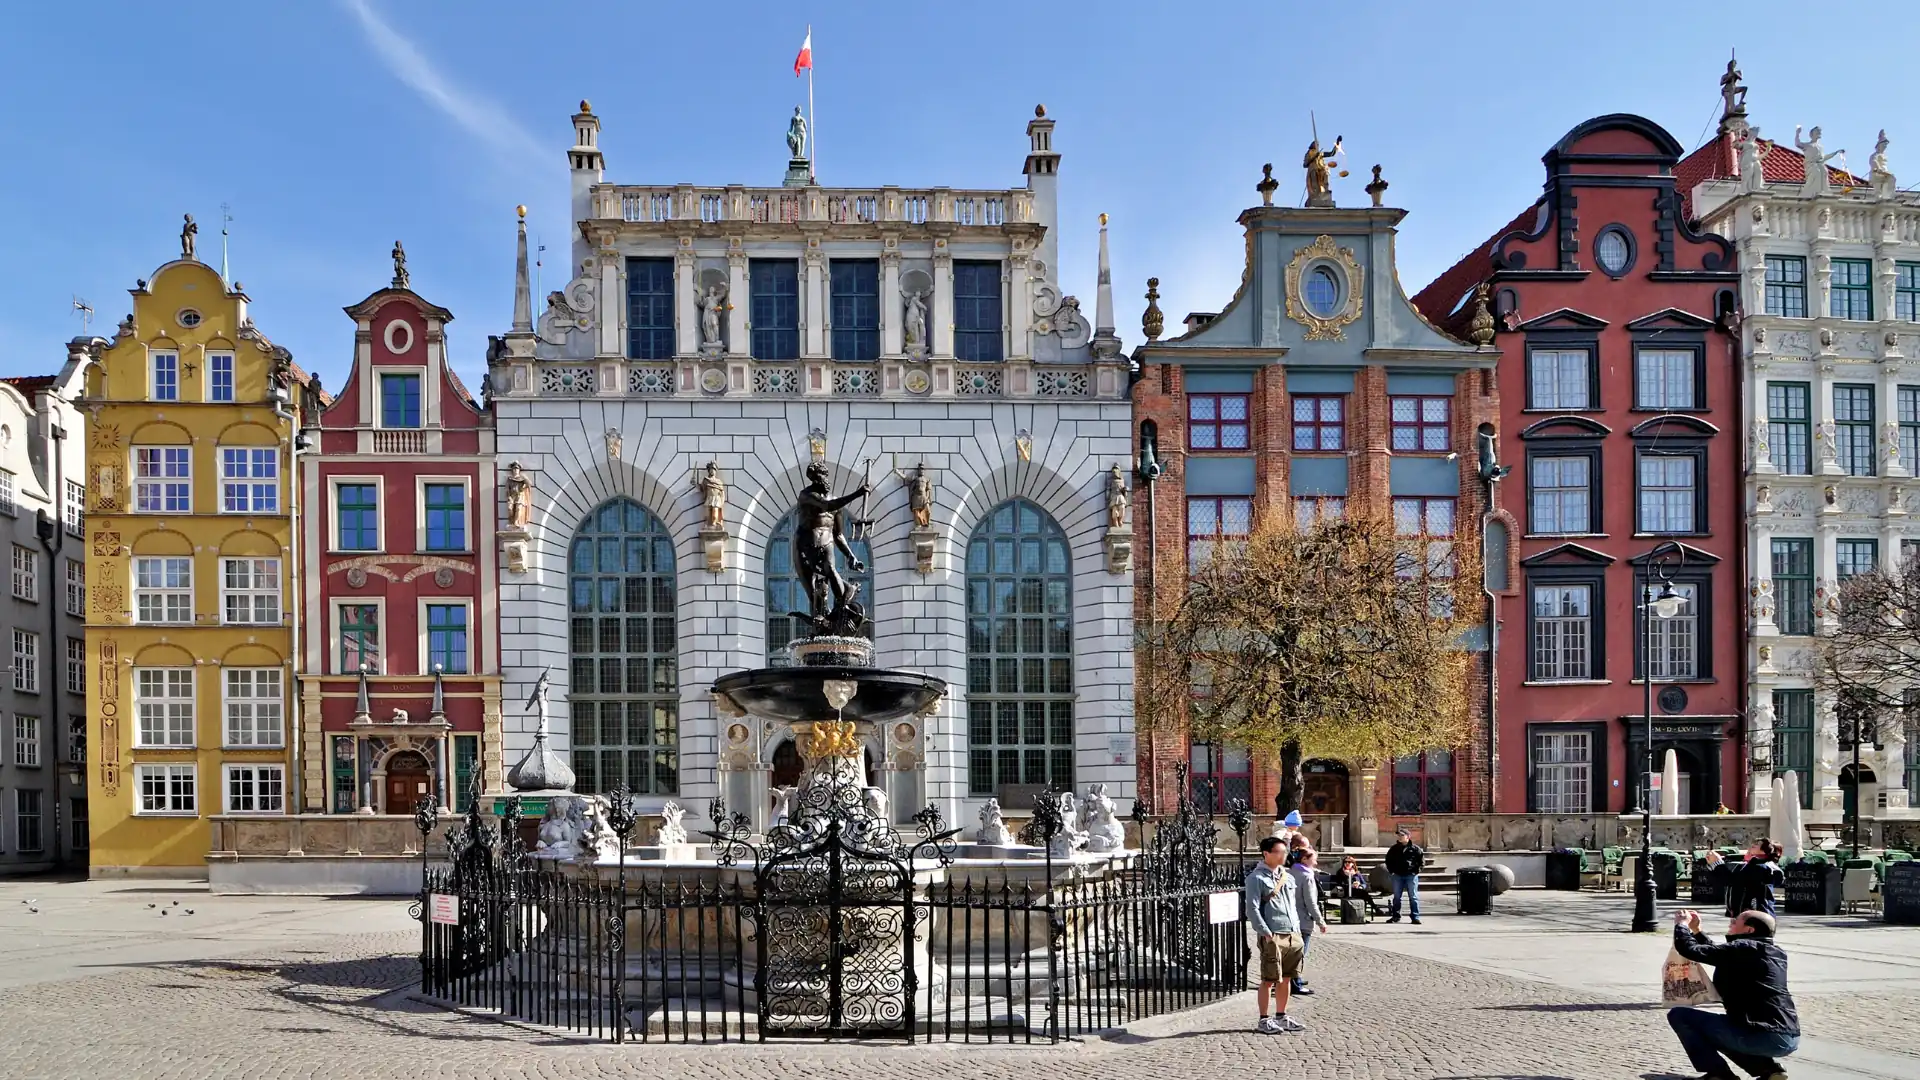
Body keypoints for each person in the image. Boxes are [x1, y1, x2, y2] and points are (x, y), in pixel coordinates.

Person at [1667, 908, 1799, 1080]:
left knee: (1680, 1016)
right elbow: (1717, 953)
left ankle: (1719, 1075)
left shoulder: (1744, 948)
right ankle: (1770, 1070)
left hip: (1762, 1036)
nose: (1731, 922)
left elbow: (1690, 950)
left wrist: (1681, 925)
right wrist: (1697, 931)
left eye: (1737, 921)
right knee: (1727, 1028)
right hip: (1787, 1036)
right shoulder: (1775, 953)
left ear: (1749, 930)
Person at [1245, 835, 1306, 1034]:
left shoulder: (1286, 876)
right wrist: (1265, 932)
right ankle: (1264, 1019)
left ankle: (1281, 1015)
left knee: (1287, 977)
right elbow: (1252, 909)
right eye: (1279, 852)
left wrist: (1296, 927)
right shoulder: (1256, 878)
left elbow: (1292, 904)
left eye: (1284, 852)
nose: (1283, 856)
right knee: (1269, 979)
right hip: (1273, 933)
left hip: (1292, 932)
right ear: (1266, 854)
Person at [1287, 847, 1330, 996]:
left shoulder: (1290, 872)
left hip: (1290, 917)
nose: (1316, 862)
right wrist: (1320, 921)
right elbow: (1311, 902)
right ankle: (1294, 983)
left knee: (1292, 952)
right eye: (1314, 859)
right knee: (1300, 953)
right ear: (1304, 860)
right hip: (1303, 919)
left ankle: (1294, 979)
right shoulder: (1307, 876)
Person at [1705, 840, 1786, 916]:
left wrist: (1717, 863)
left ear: (1765, 851)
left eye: (1757, 844)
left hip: (1757, 913)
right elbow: (1724, 881)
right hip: (1741, 912)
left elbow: (1735, 880)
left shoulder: (1764, 867)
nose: (1752, 846)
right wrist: (1712, 864)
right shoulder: (1747, 865)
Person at [1385, 825, 1425, 924]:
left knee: (1413, 897)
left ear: (1408, 837)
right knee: (1397, 897)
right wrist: (1392, 871)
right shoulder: (1394, 849)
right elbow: (1388, 860)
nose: (1400, 837)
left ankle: (1415, 916)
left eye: (1402, 835)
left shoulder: (1415, 849)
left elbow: (1421, 861)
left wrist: (1417, 871)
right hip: (1397, 875)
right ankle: (1396, 916)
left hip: (1411, 875)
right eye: (1399, 835)